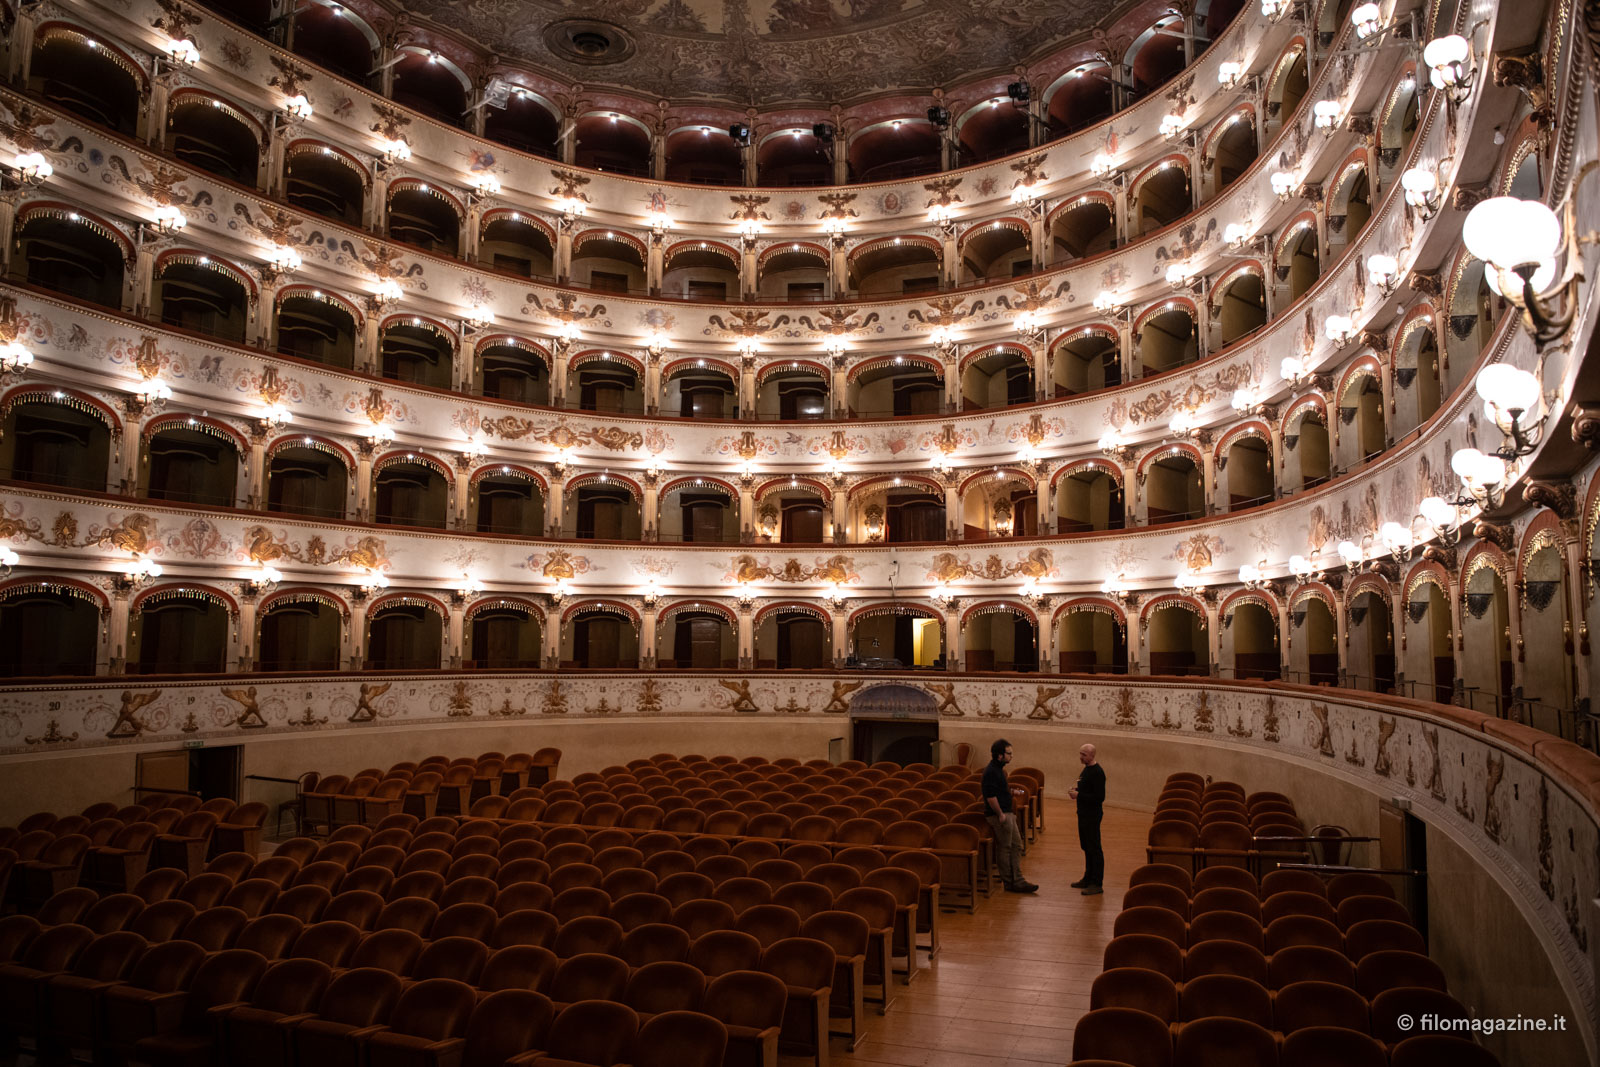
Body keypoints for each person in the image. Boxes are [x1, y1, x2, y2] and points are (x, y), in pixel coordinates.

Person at [981, 738, 1037, 893]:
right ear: (1000, 755)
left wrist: (1011, 792)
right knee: (1005, 847)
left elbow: (998, 791)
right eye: (1009, 753)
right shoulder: (991, 771)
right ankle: (1010, 882)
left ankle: (1017, 880)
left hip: (1007, 813)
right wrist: (1000, 814)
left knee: (1016, 845)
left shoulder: (998, 770)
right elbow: (990, 797)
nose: (1011, 756)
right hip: (1001, 815)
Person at [1069, 743, 1106, 895]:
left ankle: (1097, 883)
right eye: (1080, 754)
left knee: (1094, 848)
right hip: (1083, 814)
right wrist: (1077, 790)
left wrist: (1079, 795)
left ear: (1092, 755)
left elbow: (1099, 797)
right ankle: (1087, 878)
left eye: (1084, 754)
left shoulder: (1098, 772)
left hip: (1092, 815)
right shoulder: (1087, 769)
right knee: (1086, 847)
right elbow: (1088, 789)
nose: (1081, 757)